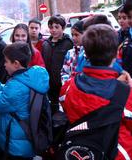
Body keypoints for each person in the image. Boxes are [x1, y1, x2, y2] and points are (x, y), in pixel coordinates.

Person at [60, 24, 132, 159]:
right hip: (117, 152)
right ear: (116, 53)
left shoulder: (70, 86)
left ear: (85, 53)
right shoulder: (126, 93)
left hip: (81, 151)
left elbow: (64, 105)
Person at [0, 42, 49, 160]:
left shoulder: (16, 87)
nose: (4, 65)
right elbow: (10, 94)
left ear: (16, 63)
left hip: (16, 146)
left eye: (6, 61)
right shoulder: (29, 78)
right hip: (26, 140)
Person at [42, 14, 73, 114]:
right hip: (48, 83)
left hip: (62, 83)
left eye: (57, 27)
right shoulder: (46, 44)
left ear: (63, 28)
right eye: (51, 27)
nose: (53, 30)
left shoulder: (68, 43)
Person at [61, 20, 84, 85]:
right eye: (72, 35)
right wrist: (67, 84)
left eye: (77, 35)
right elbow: (64, 72)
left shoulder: (89, 53)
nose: (73, 38)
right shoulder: (70, 53)